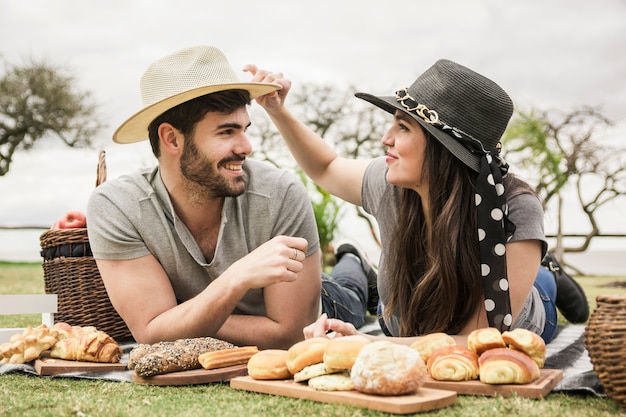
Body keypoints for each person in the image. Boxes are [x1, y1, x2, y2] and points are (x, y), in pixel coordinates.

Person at [247, 59, 589, 345]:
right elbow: (326, 167)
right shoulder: (390, 183)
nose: (386, 139)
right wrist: (278, 111)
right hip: (415, 313)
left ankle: (545, 269)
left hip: (514, 322)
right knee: (384, 296)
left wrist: (371, 343)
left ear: (444, 149)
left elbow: (480, 338)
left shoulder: (514, 208)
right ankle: (363, 268)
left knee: (540, 285)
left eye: (403, 127)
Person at [85, 46, 376, 349]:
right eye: (227, 132)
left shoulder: (279, 193)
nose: (246, 146)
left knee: (350, 296)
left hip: (323, 304)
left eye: (244, 129)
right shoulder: (118, 205)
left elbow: (291, 335)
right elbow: (151, 332)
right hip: (251, 306)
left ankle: (354, 261)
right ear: (171, 139)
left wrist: (179, 318)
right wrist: (237, 278)